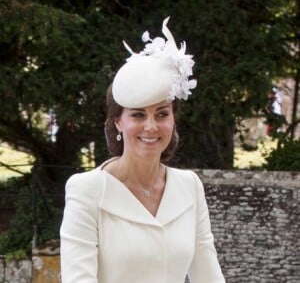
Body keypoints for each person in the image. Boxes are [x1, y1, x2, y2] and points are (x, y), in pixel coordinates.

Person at [60, 17, 225, 283]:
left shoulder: (189, 186)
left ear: (173, 119)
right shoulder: (87, 191)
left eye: (161, 114)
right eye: (138, 115)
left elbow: (208, 276)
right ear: (118, 122)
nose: (151, 126)